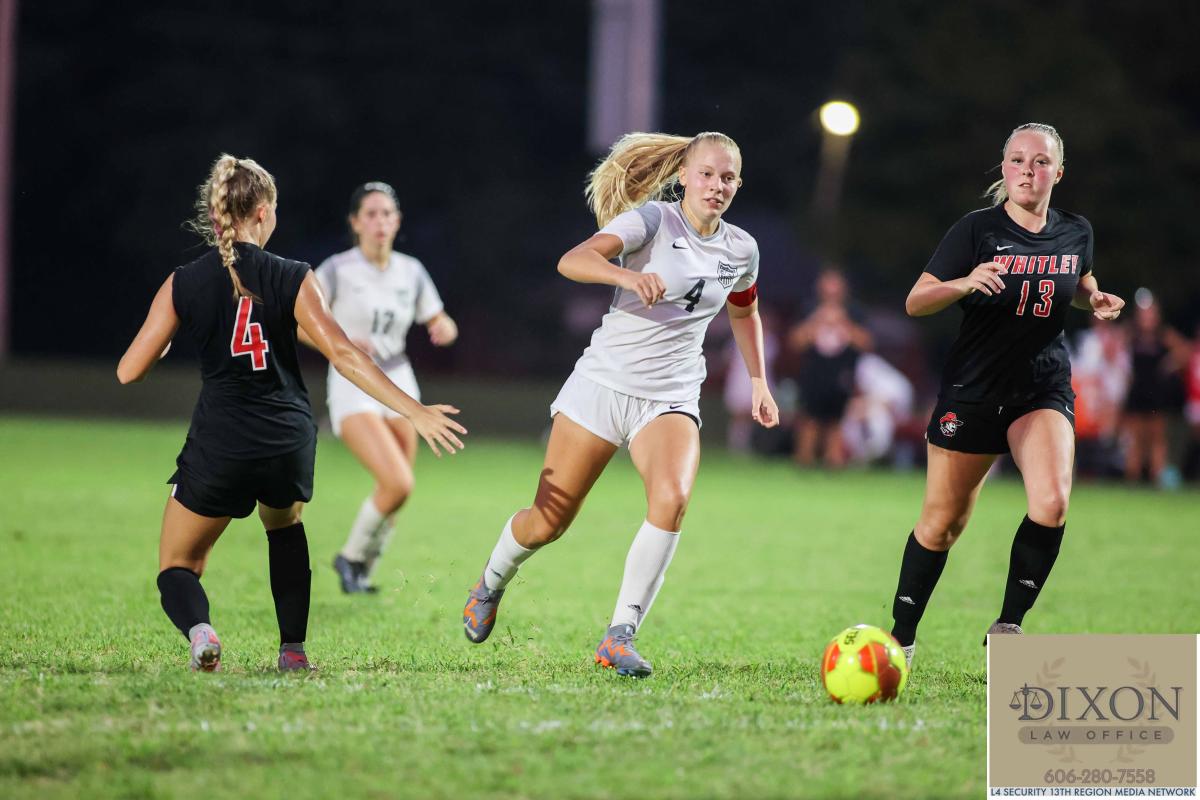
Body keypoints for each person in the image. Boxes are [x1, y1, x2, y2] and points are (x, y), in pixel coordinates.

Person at [117, 155, 466, 673]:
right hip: (286, 437)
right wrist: (414, 410)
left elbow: (129, 371)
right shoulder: (294, 275)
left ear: (215, 215)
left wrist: (164, 344)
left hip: (222, 440)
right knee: (284, 529)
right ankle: (293, 652)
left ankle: (201, 633)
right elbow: (344, 354)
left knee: (178, 565)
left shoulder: (183, 282)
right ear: (263, 212)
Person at [460, 131, 779, 677]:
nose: (716, 186)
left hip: (671, 395)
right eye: (706, 174)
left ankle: (619, 634)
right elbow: (573, 261)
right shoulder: (651, 221)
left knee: (672, 500)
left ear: (738, 184)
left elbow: (744, 310)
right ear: (684, 176)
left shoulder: (742, 248)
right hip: (603, 386)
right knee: (548, 522)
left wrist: (759, 380)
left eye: (727, 178)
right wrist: (625, 274)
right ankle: (489, 583)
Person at [884, 123, 1125, 668]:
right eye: (1017, 160)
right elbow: (916, 301)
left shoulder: (1076, 231)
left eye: (1040, 162)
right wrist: (964, 283)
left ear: (1058, 172)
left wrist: (1094, 298)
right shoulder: (976, 229)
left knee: (1052, 503)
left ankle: (1008, 626)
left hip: (1041, 386)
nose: (1027, 171)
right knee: (942, 524)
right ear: (1004, 167)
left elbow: (1078, 281)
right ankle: (901, 637)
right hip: (974, 389)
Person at [312, 182, 458, 594]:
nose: (380, 221)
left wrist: (444, 328)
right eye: (371, 214)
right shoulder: (336, 269)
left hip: (399, 378)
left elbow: (440, 319)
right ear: (356, 222)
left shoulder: (411, 271)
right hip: (353, 381)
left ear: (397, 221)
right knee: (397, 482)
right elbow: (301, 324)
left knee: (398, 489)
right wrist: (338, 343)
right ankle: (350, 558)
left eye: (387, 214)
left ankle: (363, 571)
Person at [787, 269, 873, 467]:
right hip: (814, 374)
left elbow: (866, 343)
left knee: (837, 421)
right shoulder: (809, 308)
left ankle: (833, 464)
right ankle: (804, 463)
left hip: (841, 374)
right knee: (809, 420)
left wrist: (844, 323)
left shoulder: (854, 312)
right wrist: (817, 320)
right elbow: (795, 341)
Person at [1121, 296, 1188, 485]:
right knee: (1135, 439)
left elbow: (1185, 350)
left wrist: (1170, 363)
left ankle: (1156, 478)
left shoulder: (1163, 335)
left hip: (1156, 394)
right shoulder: (1131, 334)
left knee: (1157, 439)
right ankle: (1132, 479)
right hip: (1137, 392)